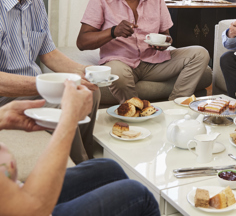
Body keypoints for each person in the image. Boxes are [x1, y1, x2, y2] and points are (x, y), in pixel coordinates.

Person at [0, 0, 100, 164]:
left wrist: (84, 73)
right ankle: (81, 168)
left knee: (91, 90)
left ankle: (85, 156)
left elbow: (49, 53)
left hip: (32, 88)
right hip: (5, 99)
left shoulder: (35, 1)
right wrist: (47, 85)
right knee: (66, 98)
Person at [0, 80, 160, 216]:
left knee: (107, 168)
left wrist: (2, 116)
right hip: (30, 208)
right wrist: (68, 119)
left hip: (15, 194)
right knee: (138, 194)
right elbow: (32, 209)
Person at [76, 0, 209, 103]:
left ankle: (175, 105)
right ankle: (135, 110)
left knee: (200, 53)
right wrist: (113, 32)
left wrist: (164, 43)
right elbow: (82, 42)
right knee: (116, 73)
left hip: (154, 62)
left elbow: (166, 36)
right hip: (120, 61)